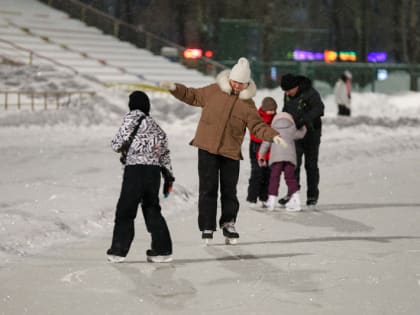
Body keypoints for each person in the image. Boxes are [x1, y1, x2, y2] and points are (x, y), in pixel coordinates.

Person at [160, 57, 285, 244]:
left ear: (247, 84)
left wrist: (273, 135)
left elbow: (257, 126)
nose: (237, 86)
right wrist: (174, 88)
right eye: (235, 81)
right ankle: (207, 226)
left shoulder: (248, 104)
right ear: (230, 79)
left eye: (242, 84)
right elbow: (192, 95)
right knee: (208, 189)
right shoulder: (213, 91)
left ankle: (228, 223)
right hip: (207, 147)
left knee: (229, 191)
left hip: (230, 152)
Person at [107, 90, 175, 263]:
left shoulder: (131, 118)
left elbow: (116, 144)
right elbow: (165, 155)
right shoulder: (156, 126)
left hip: (135, 171)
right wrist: (169, 177)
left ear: (132, 105)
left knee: (126, 210)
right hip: (153, 173)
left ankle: (118, 251)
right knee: (152, 209)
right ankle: (162, 250)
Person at [278, 73, 325, 208]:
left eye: (289, 90)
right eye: (285, 91)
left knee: (310, 165)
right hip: (295, 134)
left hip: (312, 134)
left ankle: (312, 196)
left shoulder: (310, 93)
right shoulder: (287, 94)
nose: (287, 93)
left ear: (296, 86)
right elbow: (286, 110)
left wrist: (303, 120)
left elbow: (320, 109)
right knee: (293, 165)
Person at [258, 112, 306, 211]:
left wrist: (261, 155)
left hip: (276, 158)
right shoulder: (292, 129)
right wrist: (304, 127)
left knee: (274, 178)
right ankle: (296, 200)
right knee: (290, 178)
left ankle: (271, 201)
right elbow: (300, 134)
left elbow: (266, 143)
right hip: (290, 158)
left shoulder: (272, 130)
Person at [246, 97, 277, 207]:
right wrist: (268, 135)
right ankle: (252, 198)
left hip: (270, 148)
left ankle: (264, 198)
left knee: (268, 174)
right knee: (257, 173)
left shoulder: (276, 118)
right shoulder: (256, 117)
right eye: (270, 110)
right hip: (257, 147)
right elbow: (254, 134)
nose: (272, 112)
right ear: (265, 109)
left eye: (274, 110)